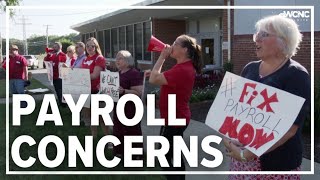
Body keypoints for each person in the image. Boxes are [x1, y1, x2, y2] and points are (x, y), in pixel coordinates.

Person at [223, 15, 311, 179]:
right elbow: (234, 110)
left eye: (264, 35)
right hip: (241, 159)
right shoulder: (249, 68)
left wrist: (248, 154)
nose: (257, 39)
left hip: (275, 164)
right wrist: (228, 139)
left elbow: (289, 129)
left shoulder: (296, 75)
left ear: (283, 41)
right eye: (257, 34)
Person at [149, 34, 202, 180]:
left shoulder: (182, 69)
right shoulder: (184, 67)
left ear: (184, 50)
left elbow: (154, 79)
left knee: (163, 157)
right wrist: (157, 72)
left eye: (175, 43)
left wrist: (162, 57)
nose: (171, 46)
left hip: (174, 118)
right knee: (175, 156)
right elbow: (163, 78)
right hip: (177, 116)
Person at [112, 50, 144, 159]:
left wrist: (124, 91)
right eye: (117, 58)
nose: (117, 60)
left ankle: (135, 155)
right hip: (118, 106)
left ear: (127, 60)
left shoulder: (134, 73)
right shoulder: (117, 73)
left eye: (120, 58)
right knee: (118, 129)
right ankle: (120, 152)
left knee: (131, 131)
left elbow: (139, 93)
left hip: (131, 107)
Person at [81, 37, 109, 138]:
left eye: (92, 46)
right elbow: (79, 72)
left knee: (102, 117)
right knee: (91, 116)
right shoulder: (85, 59)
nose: (89, 48)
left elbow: (94, 75)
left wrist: (79, 76)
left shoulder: (99, 58)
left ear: (96, 47)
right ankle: (94, 137)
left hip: (98, 92)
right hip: (87, 91)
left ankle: (108, 140)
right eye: (87, 46)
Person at [44, 42, 67, 107]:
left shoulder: (62, 55)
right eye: (53, 47)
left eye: (55, 47)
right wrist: (48, 55)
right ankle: (61, 103)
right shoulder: (53, 55)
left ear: (59, 47)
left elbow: (61, 64)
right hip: (54, 76)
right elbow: (46, 60)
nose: (53, 48)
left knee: (61, 91)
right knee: (57, 90)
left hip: (60, 76)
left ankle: (64, 104)